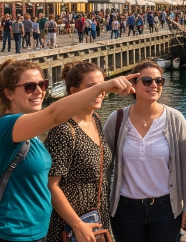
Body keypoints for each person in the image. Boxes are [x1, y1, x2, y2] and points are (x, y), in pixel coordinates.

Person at [0, 60, 137, 242]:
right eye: (29, 87)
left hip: (35, 231)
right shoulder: (7, 126)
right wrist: (103, 87)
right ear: (9, 93)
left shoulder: (31, 131)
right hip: (10, 232)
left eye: (42, 84)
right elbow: (54, 116)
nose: (39, 91)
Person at [104, 61, 186, 242]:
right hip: (125, 210)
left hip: (166, 209)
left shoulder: (175, 119)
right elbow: (105, 166)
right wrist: (104, 204)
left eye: (158, 81)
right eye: (147, 81)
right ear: (133, 85)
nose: (154, 85)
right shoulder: (117, 119)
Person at [45, 62, 111, 242]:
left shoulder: (96, 120)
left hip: (96, 216)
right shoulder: (63, 130)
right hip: (70, 225)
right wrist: (77, 225)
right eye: (92, 87)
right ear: (74, 91)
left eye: (102, 85)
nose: (100, 92)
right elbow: (51, 185)